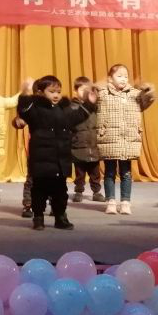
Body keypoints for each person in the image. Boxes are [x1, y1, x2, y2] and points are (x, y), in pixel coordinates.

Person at [17, 75, 96, 231]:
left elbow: (77, 116)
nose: (56, 95)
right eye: (52, 91)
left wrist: (90, 103)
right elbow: (24, 110)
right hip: (41, 160)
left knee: (60, 191)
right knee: (39, 191)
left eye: (58, 92)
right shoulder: (36, 108)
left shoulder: (64, 109)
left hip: (61, 159)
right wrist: (25, 93)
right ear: (41, 92)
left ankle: (60, 217)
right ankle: (38, 217)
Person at [95, 64, 155, 215]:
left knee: (126, 172)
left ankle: (125, 202)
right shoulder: (103, 94)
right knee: (109, 172)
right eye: (119, 76)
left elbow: (147, 101)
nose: (123, 79)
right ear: (110, 78)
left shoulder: (135, 94)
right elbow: (91, 99)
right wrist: (98, 86)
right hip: (109, 138)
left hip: (128, 139)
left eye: (126, 76)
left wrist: (148, 91)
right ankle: (110, 201)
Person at [70, 77, 105, 203]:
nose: (85, 92)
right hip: (78, 145)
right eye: (82, 89)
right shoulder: (72, 107)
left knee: (95, 173)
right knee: (80, 173)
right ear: (75, 91)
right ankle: (79, 191)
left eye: (87, 89)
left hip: (93, 145)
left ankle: (97, 192)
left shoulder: (95, 106)